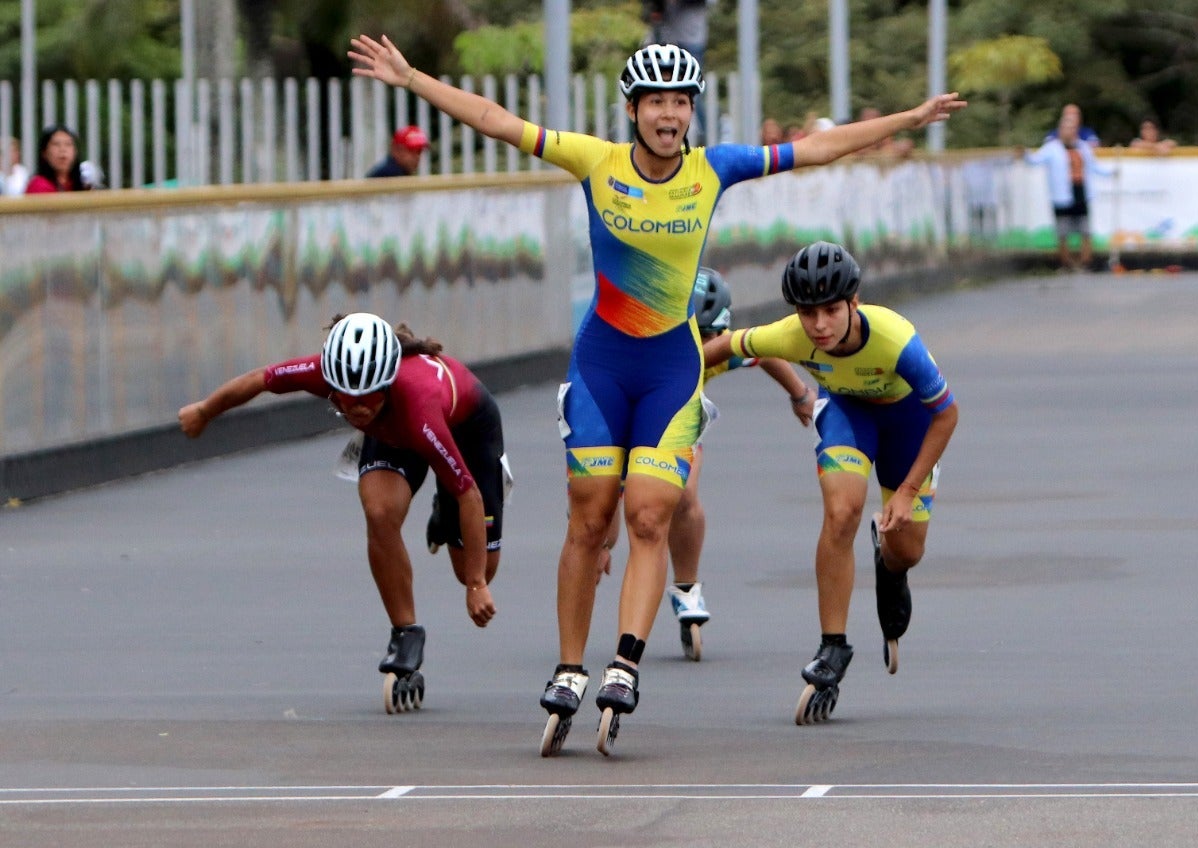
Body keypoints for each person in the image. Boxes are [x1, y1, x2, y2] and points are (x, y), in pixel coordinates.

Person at [349, 32, 965, 756]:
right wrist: (412, 76)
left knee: (648, 517)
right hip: (604, 366)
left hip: (671, 371)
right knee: (589, 517)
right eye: (656, 103)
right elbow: (492, 119)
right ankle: (570, 668)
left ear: (690, 111)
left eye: (681, 102)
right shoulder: (595, 162)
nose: (669, 115)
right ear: (634, 109)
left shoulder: (715, 169)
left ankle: (625, 662)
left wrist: (909, 118)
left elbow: (818, 148)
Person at [178, 313, 507, 714]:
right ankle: (405, 631)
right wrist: (205, 411)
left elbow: (469, 495)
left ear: (386, 383)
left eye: (366, 398)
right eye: (344, 400)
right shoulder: (326, 376)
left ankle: (442, 506)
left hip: (463, 430)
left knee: (477, 566)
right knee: (379, 511)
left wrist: (475, 584)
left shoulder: (419, 407)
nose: (356, 409)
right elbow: (261, 379)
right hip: (396, 432)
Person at [703, 241, 958, 725]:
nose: (819, 325)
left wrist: (905, 492)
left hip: (908, 424)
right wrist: (673, 379)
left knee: (908, 550)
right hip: (848, 415)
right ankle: (833, 645)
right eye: (807, 313)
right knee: (842, 511)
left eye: (830, 311)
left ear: (853, 304)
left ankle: (890, 564)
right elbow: (728, 345)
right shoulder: (789, 335)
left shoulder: (896, 339)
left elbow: (947, 413)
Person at [598, 267, 815, 663]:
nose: (710, 347)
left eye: (714, 336)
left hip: (677, 427)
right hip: (622, 421)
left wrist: (799, 394)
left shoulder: (714, 350)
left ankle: (686, 588)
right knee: (605, 508)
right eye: (701, 337)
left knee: (683, 493)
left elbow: (760, 352)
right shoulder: (645, 348)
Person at [1022, 115, 1116, 271]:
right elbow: (1035, 160)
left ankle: (1085, 262)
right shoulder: (1052, 148)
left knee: (1085, 230)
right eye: (1066, 129)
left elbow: (1094, 166)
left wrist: (1111, 173)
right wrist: (1024, 154)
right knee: (1063, 232)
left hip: (1081, 192)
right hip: (1061, 196)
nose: (1069, 132)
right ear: (1060, 131)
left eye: (1072, 129)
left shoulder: (1083, 147)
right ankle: (1066, 264)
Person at [642, 1, 715, 145]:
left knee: (693, 91)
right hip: (662, 37)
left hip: (690, 39)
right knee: (650, 88)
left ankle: (708, 140)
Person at [24, 124, 88, 194]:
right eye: (56, 144)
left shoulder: (83, 185)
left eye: (68, 144)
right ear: (44, 153)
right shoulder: (38, 186)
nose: (62, 149)